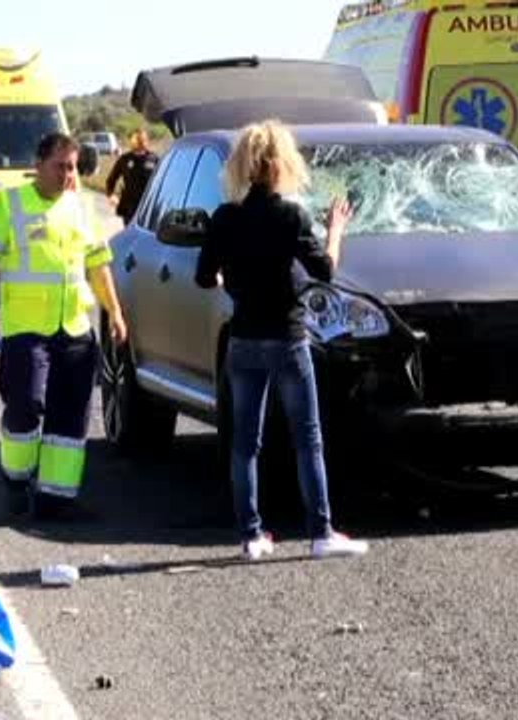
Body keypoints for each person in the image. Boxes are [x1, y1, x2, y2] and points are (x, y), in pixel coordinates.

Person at [194, 119, 367, 560]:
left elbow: (203, 276)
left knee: (245, 443)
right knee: (307, 438)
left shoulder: (225, 217)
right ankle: (320, 532)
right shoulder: (290, 215)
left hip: (243, 339)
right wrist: (335, 231)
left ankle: (251, 536)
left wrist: (230, 278)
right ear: (278, 165)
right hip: (287, 338)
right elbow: (325, 271)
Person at [0, 132, 129, 519]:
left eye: (72, 167)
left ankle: (57, 498)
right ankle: (16, 479)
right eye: (60, 166)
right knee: (26, 404)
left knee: (72, 415)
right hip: (28, 329)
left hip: (74, 328)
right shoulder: (10, 205)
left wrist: (116, 312)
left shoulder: (80, 208)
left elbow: (97, 263)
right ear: (38, 165)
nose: (66, 174)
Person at [105, 128, 159, 226]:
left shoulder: (154, 159)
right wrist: (111, 194)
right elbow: (111, 179)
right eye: (137, 139)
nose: (140, 142)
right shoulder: (124, 159)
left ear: (146, 141)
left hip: (148, 206)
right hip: (129, 207)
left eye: (142, 139)